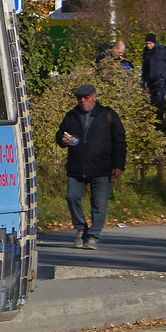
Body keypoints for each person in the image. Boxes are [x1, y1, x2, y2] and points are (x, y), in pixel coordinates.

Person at [55, 83, 126, 250]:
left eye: (86, 98)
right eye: (79, 98)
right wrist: (62, 140)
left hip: (101, 167)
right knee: (72, 197)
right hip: (76, 167)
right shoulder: (71, 115)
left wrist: (118, 165)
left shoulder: (107, 114)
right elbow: (60, 133)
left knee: (99, 205)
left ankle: (93, 236)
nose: (82, 101)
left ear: (94, 96)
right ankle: (81, 229)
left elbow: (120, 141)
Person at [141, 33, 166, 106]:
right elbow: (144, 67)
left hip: (159, 82)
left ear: (154, 43)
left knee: (160, 102)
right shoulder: (146, 52)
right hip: (150, 82)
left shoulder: (161, 50)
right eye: (147, 44)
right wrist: (143, 80)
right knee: (152, 103)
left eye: (150, 43)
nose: (148, 45)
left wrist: (162, 76)